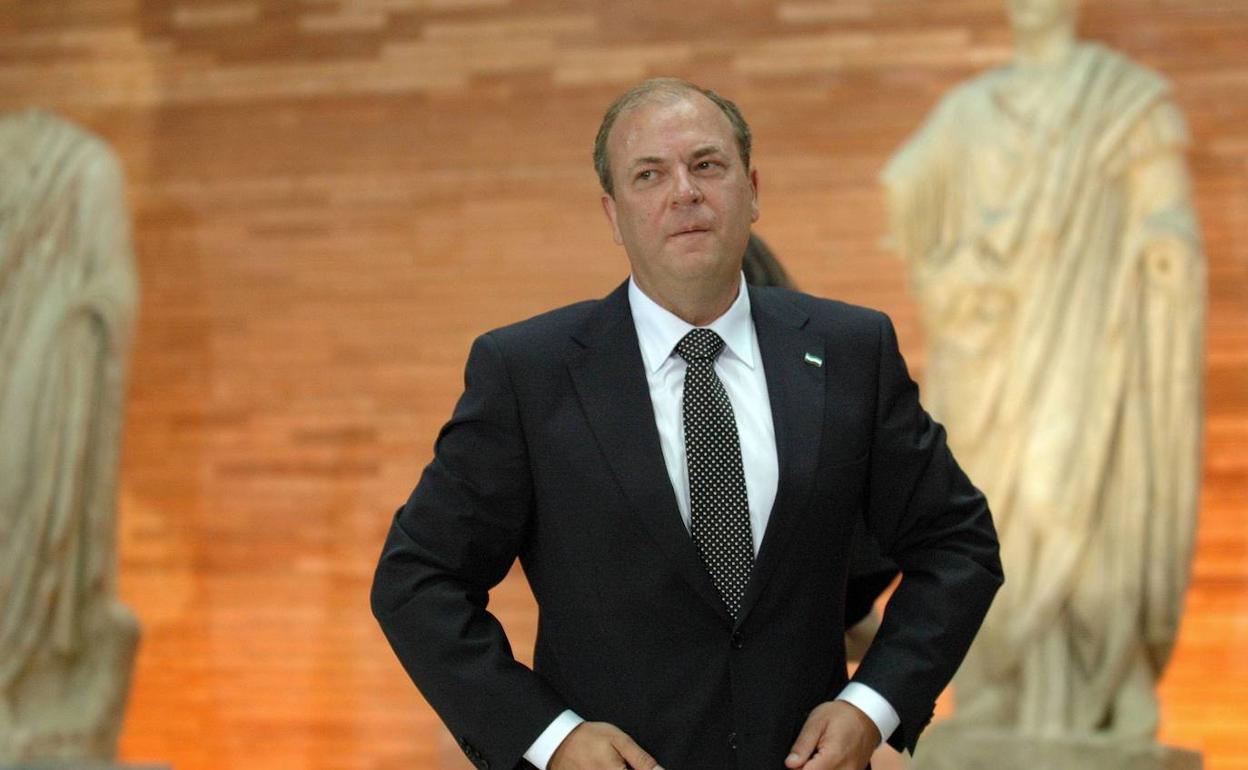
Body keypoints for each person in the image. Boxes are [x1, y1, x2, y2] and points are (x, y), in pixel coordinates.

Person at [372, 78, 1002, 770]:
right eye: (649, 175)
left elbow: (958, 543)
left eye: (707, 165)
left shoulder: (852, 351)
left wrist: (872, 706)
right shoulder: (529, 374)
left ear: (752, 190)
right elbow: (417, 580)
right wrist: (550, 738)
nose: (684, 192)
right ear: (613, 215)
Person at [881, 0, 1203, 736]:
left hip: (1082, 339)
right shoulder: (968, 112)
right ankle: (992, 685)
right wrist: (943, 277)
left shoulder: (1122, 98)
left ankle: (1104, 680)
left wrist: (1164, 246)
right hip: (986, 351)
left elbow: (1166, 209)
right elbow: (905, 188)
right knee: (983, 507)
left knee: (1076, 497)